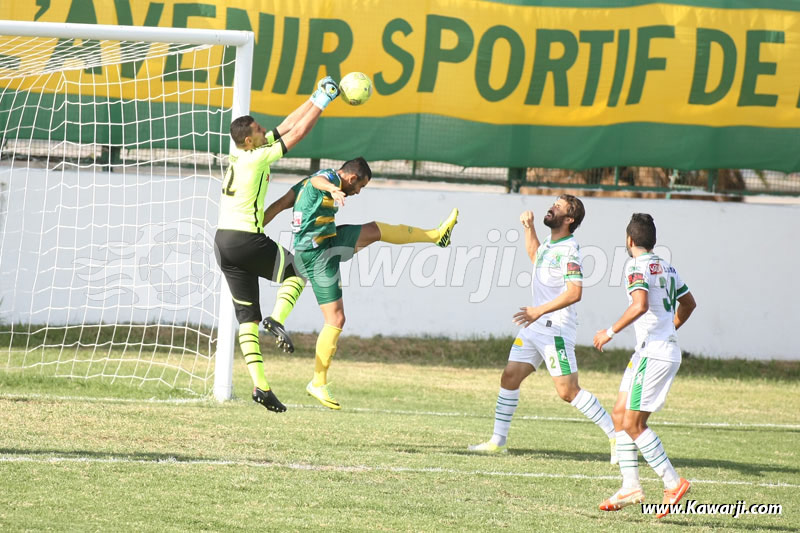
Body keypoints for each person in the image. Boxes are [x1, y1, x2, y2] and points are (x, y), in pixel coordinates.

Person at [263, 158, 458, 409]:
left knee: (376, 229)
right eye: (360, 187)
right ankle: (317, 382)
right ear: (352, 179)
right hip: (318, 256)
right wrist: (333, 189)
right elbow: (317, 180)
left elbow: (280, 204)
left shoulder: (304, 185)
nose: (357, 192)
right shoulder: (329, 180)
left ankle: (436, 236)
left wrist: (256, 226)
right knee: (335, 320)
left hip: (328, 241)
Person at [214, 76, 340, 414]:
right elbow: (295, 135)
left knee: (246, 319)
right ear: (250, 139)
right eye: (258, 128)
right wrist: (325, 102)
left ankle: (261, 385)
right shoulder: (256, 158)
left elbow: (285, 126)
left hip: (223, 243)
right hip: (244, 240)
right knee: (299, 269)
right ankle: (278, 318)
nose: (263, 129)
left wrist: (314, 97)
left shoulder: (241, 154)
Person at [468, 195, 617, 461]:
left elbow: (575, 293)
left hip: (555, 329)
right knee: (509, 377)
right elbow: (536, 256)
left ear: (569, 220)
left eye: (559, 207)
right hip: (534, 327)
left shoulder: (570, 250)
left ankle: (617, 435)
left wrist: (538, 310)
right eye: (554, 203)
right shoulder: (552, 242)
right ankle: (498, 441)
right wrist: (529, 228)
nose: (552, 207)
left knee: (568, 391)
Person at [593, 213, 696, 518]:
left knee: (635, 424)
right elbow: (689, 303)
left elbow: (638, 305)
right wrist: (670, 329)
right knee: (620, 415)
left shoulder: (635, 265)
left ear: (629, 240)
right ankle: (630, 486)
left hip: (654, 354)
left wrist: (609, 332)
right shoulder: (667, 266)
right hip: (650, 351)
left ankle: (672, 482)